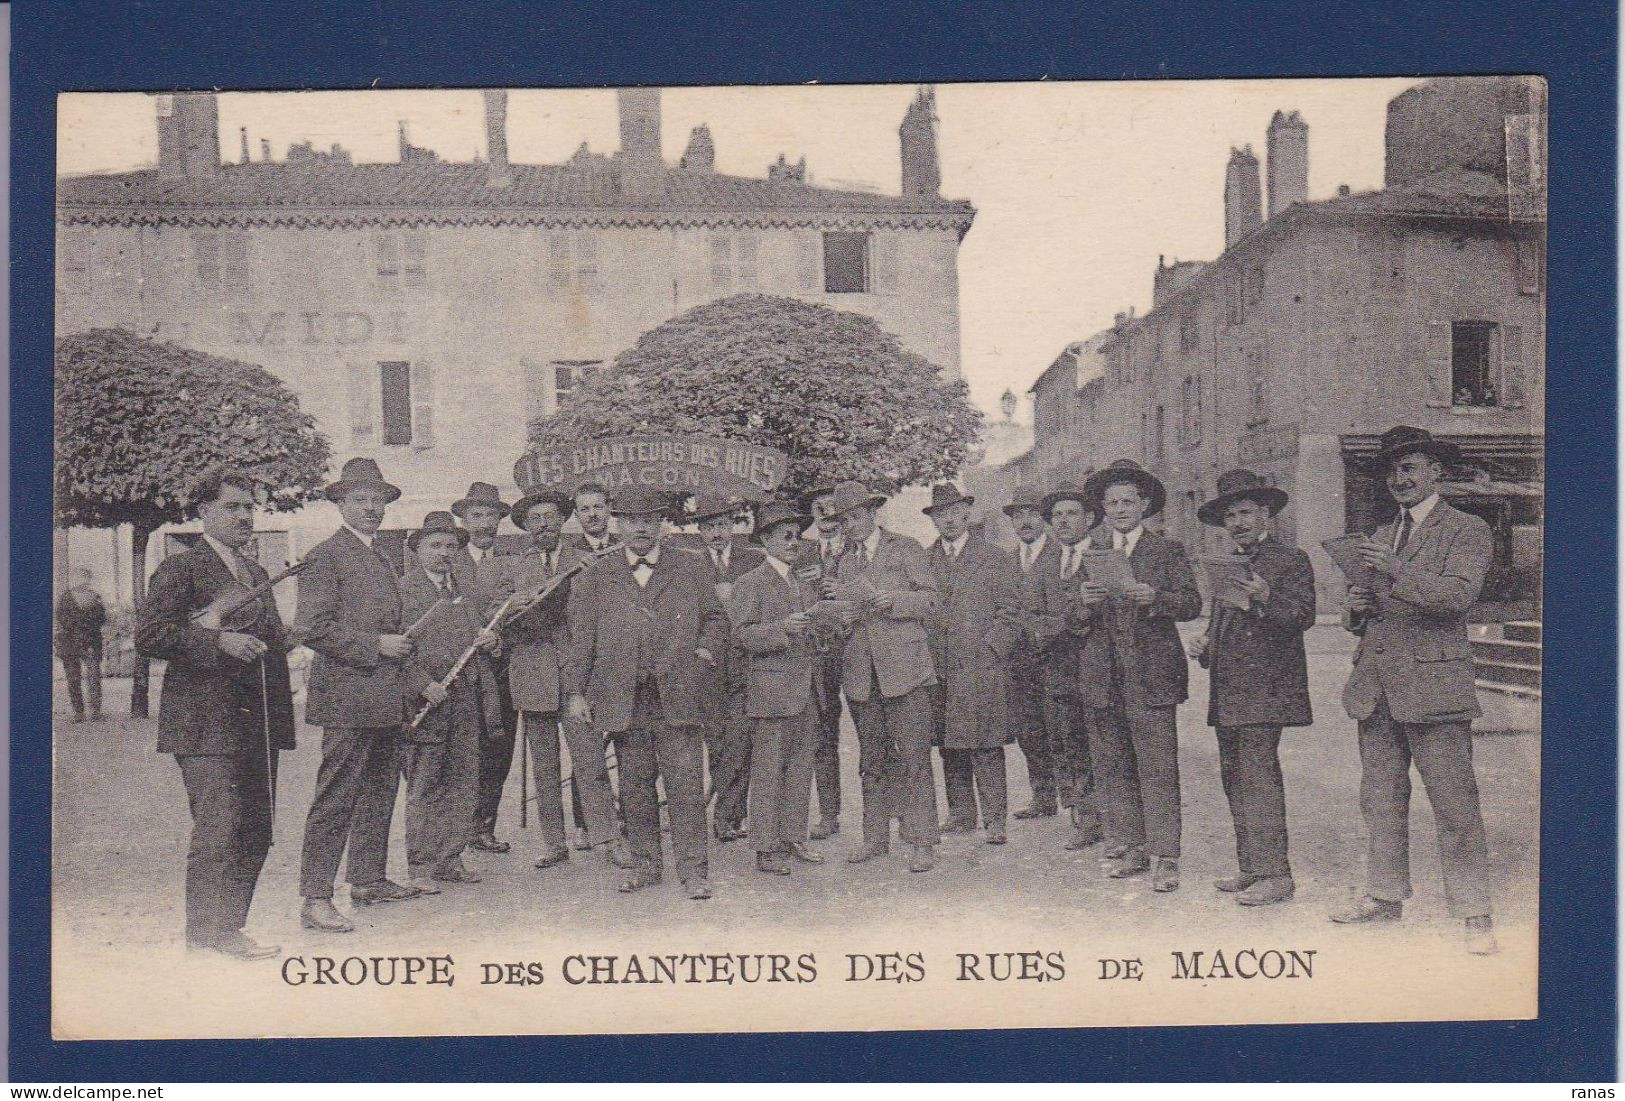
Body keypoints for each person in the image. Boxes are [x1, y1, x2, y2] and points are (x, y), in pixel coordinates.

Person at [1332, 425, 1499, 956]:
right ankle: (1384, 896)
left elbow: (1457, 597)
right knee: (1380, 801)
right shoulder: (1381, 535)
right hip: (1377, 688)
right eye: (1391, 471)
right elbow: (1365, 616)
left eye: (1409, 468)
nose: (1398, 479)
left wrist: (1396, 571)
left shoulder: (1468, 529)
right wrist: (1356, 608)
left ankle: (1475, 914)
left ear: (1436, 473)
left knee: (1454, 803)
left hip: (1435, 687)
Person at [135, 468, 295, 960]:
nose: (245, 515)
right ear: (204, 511)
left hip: (257, 721)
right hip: (205, 724)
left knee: (257, 827)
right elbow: (150, 635)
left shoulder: (256, 573)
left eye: (249, 506)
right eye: (233, 506)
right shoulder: (180, 569)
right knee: (220, 826)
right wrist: (217, 641)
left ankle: (229, 927)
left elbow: (269, 641)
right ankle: (206, 934)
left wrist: (293, 638)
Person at [562, 485, 729, 899]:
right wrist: (577, 693)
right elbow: (582, 641)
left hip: (678, 694)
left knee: (686, 785)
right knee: (634, 788)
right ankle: (646, 866)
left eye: (649, 519)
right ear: (618, 524)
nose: (641, 528)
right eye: (632, 520)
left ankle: (694, 872)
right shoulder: (596, 574)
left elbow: (715, 619)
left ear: (661, 524)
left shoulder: (690, 566)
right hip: (623, 698)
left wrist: (705, 652)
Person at [294, 457, 422, 932]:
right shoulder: (326, 556)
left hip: (385, 696)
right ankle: (314, 897)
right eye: (360, 500)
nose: (371, 509)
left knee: (378, 790)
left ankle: (368, 880)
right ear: (340, 504)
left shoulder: (378, 555)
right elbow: (310, 627)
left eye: (377, 501)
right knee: (336, 797)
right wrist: (375, 645)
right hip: (347, 697)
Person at [1186, 470, 1315, 907]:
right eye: (1230, 516)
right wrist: (1205, 643)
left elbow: (1302, 617)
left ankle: (1277, 875)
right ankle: (1252, 866)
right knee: (1234, 777)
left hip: (1267, 689)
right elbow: (1224, 621)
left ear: (1266, 515)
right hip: (1229, 690)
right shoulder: (1227, 562)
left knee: (1259, 777)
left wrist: (1265, 597)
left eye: (1245, 513)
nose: (1237, 523)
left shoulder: (1290, 560)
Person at [1073, 459, 1202, 891]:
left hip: (1151, 675)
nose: (1121, 508)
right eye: (1113, 502)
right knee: (1113, 766)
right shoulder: (1091, 552)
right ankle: (1130, 847)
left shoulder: (1166, 550)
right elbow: (1072, 618)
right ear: (1103, 508)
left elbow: (1191, 604)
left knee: (1157, 766)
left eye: (1129, 501)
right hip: (1103, 677)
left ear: (1145, 504)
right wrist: (1085, 602)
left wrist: (1155, 597)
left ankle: (1165, 855)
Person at [493, 488, 628, 872]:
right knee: (545, 768)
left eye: (551, 517)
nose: (544, 525)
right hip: (531, 678)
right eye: (535, 520)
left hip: (576, 679)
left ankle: (607, 837)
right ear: (524, 527)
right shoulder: (514, 569)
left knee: (590, 762)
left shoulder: (585, 562)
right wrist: (510, 607)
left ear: (563, 520)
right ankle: (554, 843)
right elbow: (494, 621)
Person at [827, 480, 941, 873]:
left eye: (857, 516)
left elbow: (931, 600)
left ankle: (922, 841)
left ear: (872, 514)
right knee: (871, 759)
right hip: (862, 674)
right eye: (844, 521)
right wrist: (841, 616)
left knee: (913, 757)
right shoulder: (844, 562)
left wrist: (893, 601)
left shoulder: (906, 548)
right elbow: (846, 618)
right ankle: (875, 838)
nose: (851, 525)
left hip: (906, 671)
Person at [397, 512, 503, 895]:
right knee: (425, 783)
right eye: (435, 545)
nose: (444, 553)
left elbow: (483, 637)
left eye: (450, 546)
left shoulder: (466, 591)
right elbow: (397, 647)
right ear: (418, 549)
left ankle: (449, 858)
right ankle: (421, 865)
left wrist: (494, 643)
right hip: (426, 701)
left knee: (463, 779)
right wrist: (422, 684)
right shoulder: (404, 590)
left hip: (465, 697)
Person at [729, 501, 828, 876]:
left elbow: (815, 629)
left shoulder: (804, 582)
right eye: (785, 536)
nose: (793, 542)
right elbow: (740, 636)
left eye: (797, 536)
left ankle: (792, 836)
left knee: (801, 767)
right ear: (766, 540)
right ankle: (765, 848)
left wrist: (823, 625)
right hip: (771, 692)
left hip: (806, 689)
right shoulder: (749, 583)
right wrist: (781, 630)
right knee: (768, 771)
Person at [923, 485, 1023, 846]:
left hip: (981, 667)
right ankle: (962, 814)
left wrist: (992, 651)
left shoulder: (994, 557)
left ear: (967, 513)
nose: (948, 519)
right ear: (933, 519)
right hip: (939, 667)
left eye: (954, 511)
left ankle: (995, 819)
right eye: (940, 513)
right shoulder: (924, 559)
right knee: (949, 742)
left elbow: (1011, 613)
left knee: (985, 743)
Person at [451, 480, 519, 855]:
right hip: (461, 673)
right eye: (475, 515)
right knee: (463, 750)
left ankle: (484, 826)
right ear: (462, 519)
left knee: (499, 749)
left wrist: (501, 641)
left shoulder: (513, 561)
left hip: (501, 669)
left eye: (490, 516)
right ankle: (456, 830)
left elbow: (523, 616)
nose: (483, 523)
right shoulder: (449, 559)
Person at [692, 494, 764, 842]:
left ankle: (729, 815)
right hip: (706, 668)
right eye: (708, 527)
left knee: (740, 739)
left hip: (746, 663)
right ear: (700, 532)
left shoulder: (753, 561)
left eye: (721, 525)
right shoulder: (688, 565)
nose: (716, 533)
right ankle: (728, 813)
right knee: (716, 742)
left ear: (732, 527)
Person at [1001, 486, 1058, 820]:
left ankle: (1078, 803)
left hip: (1056, 657)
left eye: (1032, 514)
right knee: (1029, 730)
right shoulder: (1007, 561)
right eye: (1018, 515)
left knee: (1063, 729)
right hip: (1020, 661)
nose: (1025, 522)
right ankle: (1043, 795)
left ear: (1044, 519)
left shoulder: (1058, 554)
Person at [799, 483, 848, 840]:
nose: (828, 519)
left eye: (834, 512)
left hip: (858, 649)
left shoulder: (858, 548)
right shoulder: (800, 550)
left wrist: (840, 583)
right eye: (821, 511)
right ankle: (829, 813)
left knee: (876, 730)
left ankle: (890, 809)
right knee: (822, 736)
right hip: (820, 653)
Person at [56, 566, 107, 723]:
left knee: (90, 678)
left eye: (84, 577)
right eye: (80, 577)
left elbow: (101, 618)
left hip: (82, 642)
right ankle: (82, 712)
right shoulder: (68, 598)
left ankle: (91, 712)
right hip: (75, 642)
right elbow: (62, 618)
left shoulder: (91, 598)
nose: (82, 581)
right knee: (77, 678)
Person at [568, 481, 616, 553]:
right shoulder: (570, 554)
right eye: (585, 509)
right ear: (576, 515)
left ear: (609, 509)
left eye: (598, 507)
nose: (592, 514)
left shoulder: (623, 548)